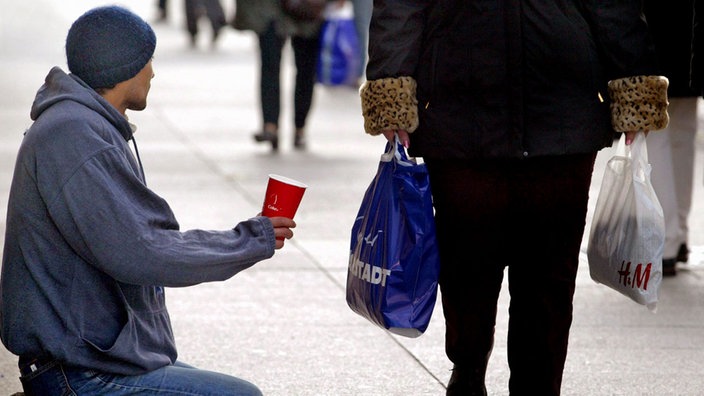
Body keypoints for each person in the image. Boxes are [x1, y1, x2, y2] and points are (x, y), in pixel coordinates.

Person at [360, 2, 668, 395]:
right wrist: (391, 79)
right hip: (460, 112)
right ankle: (468, 368)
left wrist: (632, 77)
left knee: (549, 279)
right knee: (466, 269)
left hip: (561, 116)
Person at [0, 6, 295, 395]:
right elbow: (144, 250)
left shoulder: (85, 126)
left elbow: (140, 242)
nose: (152, 72)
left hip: (93, 357)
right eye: (147, 60)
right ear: (124, 66)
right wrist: (247, 240)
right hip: (78, 372)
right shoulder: (74, 136)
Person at [643, 0, 698, 276]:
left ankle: (666, 240)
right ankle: (679, 235)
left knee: (656, 131)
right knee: (683, 130)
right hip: (692, 25)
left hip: (658, 26)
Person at [233, 0, 327, 151]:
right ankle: (270, 125)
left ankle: (299, 127)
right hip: (270, 9)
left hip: (307, 10)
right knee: (270, 64)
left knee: (306, 70)